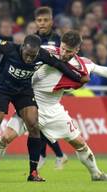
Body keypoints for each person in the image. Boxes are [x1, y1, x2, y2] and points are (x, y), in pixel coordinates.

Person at [0, 30, 107, 181]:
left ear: (77, 50)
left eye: (68, 51)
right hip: (30, 104)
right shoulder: (46, 51)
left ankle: (97, 174)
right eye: (62, 48)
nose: (63, 53)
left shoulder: (82, 64)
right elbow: (18, 54)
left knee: (79, 143)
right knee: (4, 139)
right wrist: (0, 71)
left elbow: (102, 70)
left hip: (53, 109)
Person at [0, 34, 88, 182]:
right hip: (3, 89)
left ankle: (33, 173)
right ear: (22, 48)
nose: (29, 59)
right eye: (27, 55)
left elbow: (61, 66)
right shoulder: (8, 48)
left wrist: (78, 78)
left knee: (33, 125)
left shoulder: (43, 55)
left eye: (33, 56)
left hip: (24, 92)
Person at [34, 6, 67, 169]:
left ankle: (47, 155)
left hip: (52, 87)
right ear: (35, 22)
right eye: (39, 20)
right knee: (38, 124)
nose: (42, 23)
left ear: (51, 22)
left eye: (45, 20)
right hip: (35, 86)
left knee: (39, 123)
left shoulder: (59, 39)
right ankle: (56, 155)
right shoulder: (32, 39)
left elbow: (65, 61)